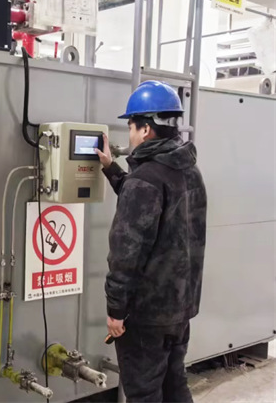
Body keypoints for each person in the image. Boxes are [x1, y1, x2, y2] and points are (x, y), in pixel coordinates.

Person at [95, 81, 207, 403]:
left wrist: (116, 311)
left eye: (131, 126)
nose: (129, 134)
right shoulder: (189, 171)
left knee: (144, 394)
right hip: (179, 309)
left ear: (145, 129)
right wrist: (111, 169)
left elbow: (126, 254)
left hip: (145, 317)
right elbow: (151, 206)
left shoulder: (145, 179)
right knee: (175, 386)